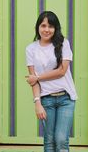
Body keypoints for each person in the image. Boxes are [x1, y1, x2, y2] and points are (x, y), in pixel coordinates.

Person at [25, 11, 77, 152]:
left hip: (66, 98)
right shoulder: (31, 49)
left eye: (51, 26)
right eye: (43, 25)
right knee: (49, 141)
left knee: (61, 140)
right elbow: (32, 80)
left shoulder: (63, 43)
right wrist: (37, 103)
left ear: (56, 28)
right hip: (46, 99)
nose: (47, 30)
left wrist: (38, 77)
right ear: (38, 27)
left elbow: (62, 71)